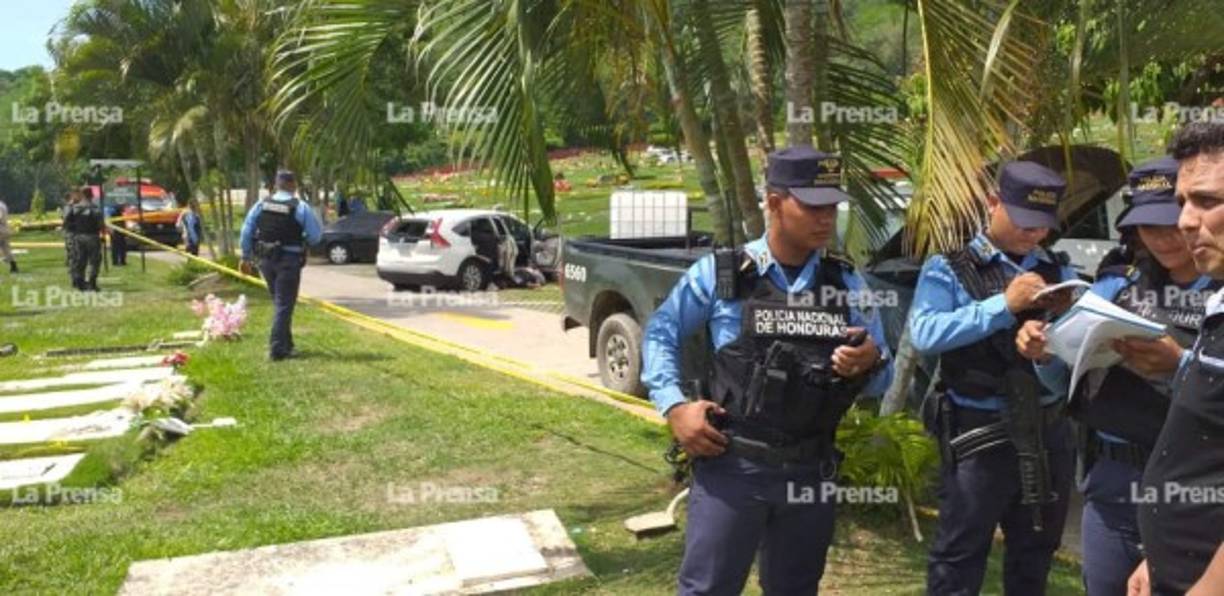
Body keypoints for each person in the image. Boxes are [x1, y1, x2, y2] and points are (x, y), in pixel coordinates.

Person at [641, 146, 893, 595]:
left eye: (832, 206)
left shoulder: (847, 282)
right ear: (774, 203)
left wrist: (870, 361)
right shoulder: (723, 275)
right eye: (813, 206)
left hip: (811, 471)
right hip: (733, 466)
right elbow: (661, 332)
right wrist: (674, 406)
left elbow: (885, 376)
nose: (826, 217)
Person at [1014, 156, 1218, 595]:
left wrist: (1177, 362)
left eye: (1170, 222)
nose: (1164, 238)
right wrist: (1045, 354)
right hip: (1112, 481)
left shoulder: (1218, 298)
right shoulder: (1117, 288)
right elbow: (1072, 382)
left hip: (1193, 485)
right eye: (1148, 227)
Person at [911, 161, 1080, 595]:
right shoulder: (948, 266)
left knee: (1035, 554)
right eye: (1024, 221)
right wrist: (1002, 306)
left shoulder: (1060, 273)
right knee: (959, 556)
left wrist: (1048, 349)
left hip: (1046, 432)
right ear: (993, 204)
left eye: (1042, 225)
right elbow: (925, 333)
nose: (1033, 234)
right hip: (978, 434)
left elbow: (1079, 358)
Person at [1126, 122, 1224, 595]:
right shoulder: (1218, 305)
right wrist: (1156, 558)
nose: (1184, 222)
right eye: (1183, 202)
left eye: (1207, 201)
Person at [239, 169, 323, 361]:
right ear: (293, 185)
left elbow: (246, 230)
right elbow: (316, 236)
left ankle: (287, 345)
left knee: (280, 304)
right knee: (284, 305)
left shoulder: (261, 205)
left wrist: (245, 255)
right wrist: (303, 239)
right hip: (289, 261)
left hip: (266, 260)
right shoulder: (300, 207)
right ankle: (277, 349)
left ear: (277, 184)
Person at [61, 188, 104, 291]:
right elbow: (100, 224)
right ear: (92, 195)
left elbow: (66, 221)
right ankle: (92, 283)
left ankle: (80, 283)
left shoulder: (74, 208)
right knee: (94, 261)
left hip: (78, 237)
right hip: (92, 236)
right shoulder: (94, 208)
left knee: (80, 260)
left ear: (82, 195)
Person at [0, 196, 17, 273]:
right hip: (5, 229)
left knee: (6, 249)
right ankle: (14, 266)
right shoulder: (2, 204)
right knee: (7, 249)